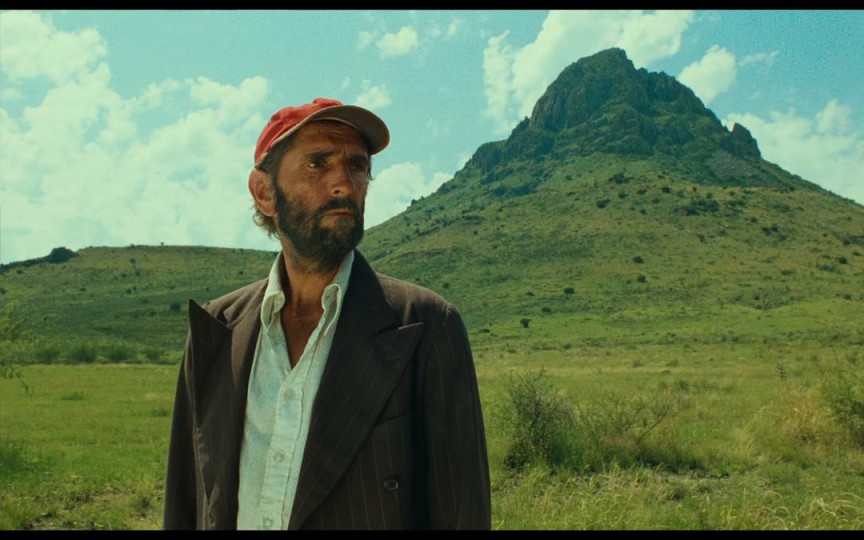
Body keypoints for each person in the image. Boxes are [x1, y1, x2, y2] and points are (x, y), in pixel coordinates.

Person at [163, 97, 491, 530]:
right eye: (317, 164)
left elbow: (461, 511)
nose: (344, 184)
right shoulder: (218, 329)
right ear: (264, 192)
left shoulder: (424, 325)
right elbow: (187, 497)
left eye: (357, 166)